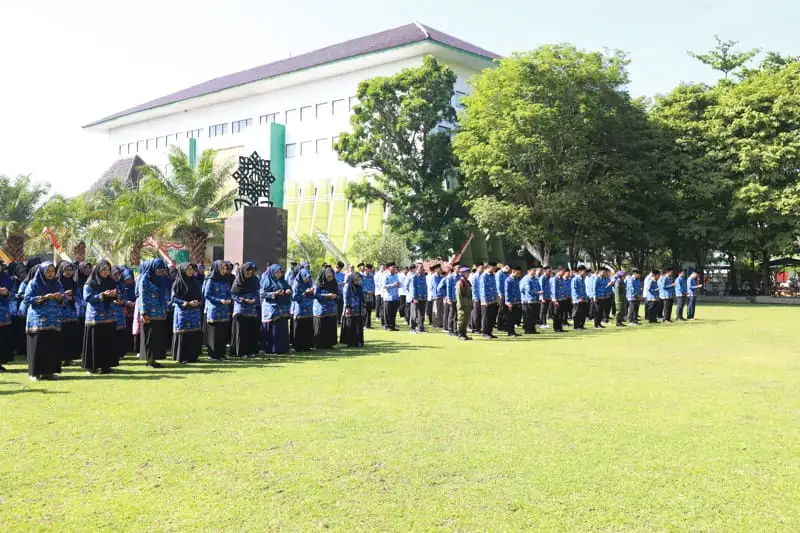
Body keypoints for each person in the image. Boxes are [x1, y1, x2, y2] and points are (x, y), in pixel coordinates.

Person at [24, 262, 64, 380]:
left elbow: (64, 300)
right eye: (48, 271)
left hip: (53, 321)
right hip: (38, 320)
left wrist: (60, 297)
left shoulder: (57, 284)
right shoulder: (34, 283)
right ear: (42, 272)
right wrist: (43, 298)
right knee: (38, 346)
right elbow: (27, 299)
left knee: (51, 346)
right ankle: (35, 373)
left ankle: (49, 372)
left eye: (52, 271)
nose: (50, 274)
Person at [82, 260, 120, 374]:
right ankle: (92, 367)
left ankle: (106, 366)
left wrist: (115, 295)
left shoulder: (111, 282)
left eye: (108, 270)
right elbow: (87, 297)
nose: (106, 272)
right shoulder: (90, 283)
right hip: (95, 317)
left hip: (109, 316)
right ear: (98, 270)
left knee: (108, 341)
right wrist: (102, 295)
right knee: (95, 342)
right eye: (104, 270)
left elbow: (119, 294)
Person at [138, 258, 169, 368]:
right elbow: (142, 297)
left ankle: (155, 359)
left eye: (162, 269)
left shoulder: (161, 280)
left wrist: (166, 307)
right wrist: (143, 312)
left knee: (158, 337)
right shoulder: (145, 279)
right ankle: (150, 360)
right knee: (150, 338)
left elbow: (164, 296)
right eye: (158, 269)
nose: (160, 271)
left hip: (160, 313)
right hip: (149, 313)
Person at [170, 263, 203, 364]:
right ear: (183, 270)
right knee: (183, 334)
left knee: (194, 334)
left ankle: (193, 356)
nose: (190, 271)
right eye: (188, 269)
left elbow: (201, 295)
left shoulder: (195, 282)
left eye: (191, 269)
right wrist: (186, 303)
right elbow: (173, 298)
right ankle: (182, 356)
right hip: (183, 312)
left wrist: (198, 302)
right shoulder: (178, 282)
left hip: (195, 311)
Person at [229, 262, 260, 358]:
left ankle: (251, 351)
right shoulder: (238, 281)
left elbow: (257, 291)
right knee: (241, 332)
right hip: (240, 310)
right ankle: (241, 352)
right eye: (247, 274)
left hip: (251, 309)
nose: (248, 276)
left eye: (250, 274)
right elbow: (233, 294)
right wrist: (241, 299)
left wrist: (254, 299)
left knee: (251, 331)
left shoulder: (254, 280)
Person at [204, 260, 232, 360]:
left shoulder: (225, 280)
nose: (224, 270)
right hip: (214, 309)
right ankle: (213, 354)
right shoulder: (211, 280)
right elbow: (207, 294)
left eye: (225, 268)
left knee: (223, 332)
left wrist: (229, 299)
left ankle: (221, 353)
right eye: (222, 268)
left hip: (224, 309)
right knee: (214, 333)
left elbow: (229, 291)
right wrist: (219, 300)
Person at [261, 264, 292, 354]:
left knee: (282, 329)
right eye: (277, 272)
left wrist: (288, 291)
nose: (279, 274)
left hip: (283, 309)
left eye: (280, 272)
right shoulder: (267, 281)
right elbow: (262, 293)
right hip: (272, 308)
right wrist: (274, 293)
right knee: (274, 329)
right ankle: (272, 349)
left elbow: (288, 288)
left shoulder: (283, 281)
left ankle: (282, 348)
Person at [55, 261, 81, 366]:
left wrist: (72, 299)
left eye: (71, 270)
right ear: (61, 270)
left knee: (70, 337)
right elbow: (54, 296)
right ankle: (59, 358)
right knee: (60, 336)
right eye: (66, 270)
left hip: (72, 314)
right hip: (59, 314)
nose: (69, 272)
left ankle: (69, 359)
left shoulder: (74, 284)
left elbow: (79, 297)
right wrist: (64, 296)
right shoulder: (56, 283)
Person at [313, 265, 339, 348]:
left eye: (332, 276)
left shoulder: (334, 283)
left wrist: (336, 296)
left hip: (331, 309)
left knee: (330, 327)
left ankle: (329, 343)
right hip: (321, 310)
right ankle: (319, 344)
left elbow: (339, 294)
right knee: (322, 327)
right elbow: (316, 295)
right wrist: (327, 295)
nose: (330, 278)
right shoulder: (319, 283)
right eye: (329, 276)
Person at [291, 267, 315, 352]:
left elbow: (313, 295)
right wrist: (305, 293)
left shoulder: (309, 283)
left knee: (308, 327)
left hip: (309, 308)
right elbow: (294, 297)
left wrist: (312, 291)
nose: (307, 279)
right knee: (300, 328)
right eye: (306, 278)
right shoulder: (296, 284)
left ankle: (307, 345)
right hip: (300, 309)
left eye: (308, 278)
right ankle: (298, 346)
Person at [110, 266, 130, 361]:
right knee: (113, 332)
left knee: (120, 332)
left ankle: (121, 352)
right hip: (111, 311)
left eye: (118, 274)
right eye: (115, 274)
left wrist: (123, 302)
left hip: (120, 311)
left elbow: (125, 296)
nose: (117, 276)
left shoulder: (121, 284)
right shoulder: (108, 284)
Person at [341, 271, 365, 347]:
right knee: (351, 325)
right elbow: (346, 298)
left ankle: (359, 341)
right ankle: (350, 342)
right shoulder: (348, 286)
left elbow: (362, 297)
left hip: (359, 309)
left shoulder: (360, 286)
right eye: (356, 280)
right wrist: (347, 308)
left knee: (359, 325)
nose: (358, 281)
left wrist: (364, 307)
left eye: (359, 280)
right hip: (350, 309)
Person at [118, 267, 137, 355]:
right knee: (126, 329)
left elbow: (138, 295)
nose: (129, 281)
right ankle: (127, 347)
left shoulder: (135, 285)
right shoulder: (120, 286)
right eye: (127, 279)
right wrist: (126, 303)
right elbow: (119, 297)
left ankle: (133, 347)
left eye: (131, 279)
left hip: (134, 310)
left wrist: (135, 302)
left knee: (134, 329)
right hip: (124, 310)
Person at [0, 262, 14, 371]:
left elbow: (13, 295)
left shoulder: (7, 279)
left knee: (2, 339)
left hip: (3, 314)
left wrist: (6, 293)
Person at [479, 262, 499, 339]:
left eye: (495, 268)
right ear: (488, 267)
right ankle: (485, 333)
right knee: (486, 317)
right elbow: (482, 289)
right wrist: (484, 300)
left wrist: (497, 297)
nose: (494, 269)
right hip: (486, 300)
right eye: (493, 268)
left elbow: (495, 287)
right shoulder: (483, 276)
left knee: (492, 317)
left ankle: (490, 332)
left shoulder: (493, 276)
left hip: (493, 299)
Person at [520, 267, 541, 335]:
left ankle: (532, 329)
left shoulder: (536, 279)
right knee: (527, 316)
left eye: (535, 271)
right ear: (529, 271)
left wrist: (538, 293)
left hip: (535, 300)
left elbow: (539, 287)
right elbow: (527, 290)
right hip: (527, 300)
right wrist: (537, 293)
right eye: (533, 271)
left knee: (534, 316)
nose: (535, 272)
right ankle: (527, 329)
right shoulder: (526, 279)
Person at [409, 262, 428, 333]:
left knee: (422, 314)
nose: (422, 269)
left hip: (423, 297)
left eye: (422, 268)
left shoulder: (424, 276)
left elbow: (425, 287)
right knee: (414, 314)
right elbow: (413, 288)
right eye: (420, 268)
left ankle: (421, 328)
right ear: (416, 269)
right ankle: (412, 328)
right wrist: (414, 298)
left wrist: (425, 296)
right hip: (416, 298)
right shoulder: (414, 277)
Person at [455, 266, 473, 341]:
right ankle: (460, 334)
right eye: (466, 273)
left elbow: (470, 294)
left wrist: (471, 304)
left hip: (468, 303)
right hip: (463, 304)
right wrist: (460, 305)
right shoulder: (460, 282)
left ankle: (464, 334)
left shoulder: (467, 282)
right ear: (462, 273)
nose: (468, 274)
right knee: (461, 319)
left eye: (468, 273)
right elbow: (459, 295)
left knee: (466, 319)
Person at [504, 266, 522, 336]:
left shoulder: (517, 280)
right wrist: (508, 302)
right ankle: (510, 332)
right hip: (511, 302)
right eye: (517, 273)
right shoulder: (508, 280)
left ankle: (513, 331)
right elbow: (507, 292)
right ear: (513, 272)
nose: (519, 275)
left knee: (514, 317)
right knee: (510, 318)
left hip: (517, 301)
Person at [551, 267, 570, 332]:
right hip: (557, 299)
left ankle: (560, 327)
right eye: (562, 271)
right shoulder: (555, 279)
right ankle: (556, 328)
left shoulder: (562, 279)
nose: (564, 273)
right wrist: (554, 299)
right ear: (558, 271)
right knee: (557, 314)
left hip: (563, 299)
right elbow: (553, 290)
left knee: (562, 314)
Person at [382, 263, 400, 331]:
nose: (394, 268)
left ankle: (392, 326)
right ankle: (387, 326)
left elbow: (398, 283)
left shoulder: (396, 275)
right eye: (393, 267)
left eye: (395, 267)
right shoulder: (386, 275)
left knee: (393, 313)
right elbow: (384, 285)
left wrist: (398, 284)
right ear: (389, 268)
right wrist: (393, 285)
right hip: (388, 297)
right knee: (387, 313)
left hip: (395, 296)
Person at [571, 266, 589, 331]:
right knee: (577, 313)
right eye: (584, 271)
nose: (585, 273)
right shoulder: (575, 279)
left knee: (583, 313)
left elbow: (583, 290)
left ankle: (581, 326)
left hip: (583, 298)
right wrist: (578, 298)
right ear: (580, 271)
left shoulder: (583, 279)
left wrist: (585, 298)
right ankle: (576, 326)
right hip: (577, 300)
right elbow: (574, 290)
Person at [469, 265, 483, 334]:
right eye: (481, 268)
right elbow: (473, 288)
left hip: (481, 297)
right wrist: (476, 298)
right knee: (475, 313)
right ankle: (475, 328)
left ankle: (478, 328)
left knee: (479, 313)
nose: (482, 269)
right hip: (476, 298)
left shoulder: (482, 276)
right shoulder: (474, 276)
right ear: (477, 268)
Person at [495, 264, 510, 330]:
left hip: (506, 294)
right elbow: (498, 284)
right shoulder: (499, 273)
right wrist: (499, 293)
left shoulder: (507, 274)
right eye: (506, 268)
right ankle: (499, 325)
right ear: (503, 267)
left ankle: (505, 324)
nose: (507, 270)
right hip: (501, 295)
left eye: (508, 269)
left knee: (506, 310)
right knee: (501, 310)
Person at [361, 264, 375, 329]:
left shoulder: (371, 276)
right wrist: (367, 291)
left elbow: (373, 284)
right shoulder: (362, 276)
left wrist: (372, 291)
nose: (368, 271)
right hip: (364, 295)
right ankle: (363, 324)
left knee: (369, 310)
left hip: (370, 295)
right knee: (364, 311)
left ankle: (368, 324)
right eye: (367, 269)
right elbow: (361, 285)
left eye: (369, 270)